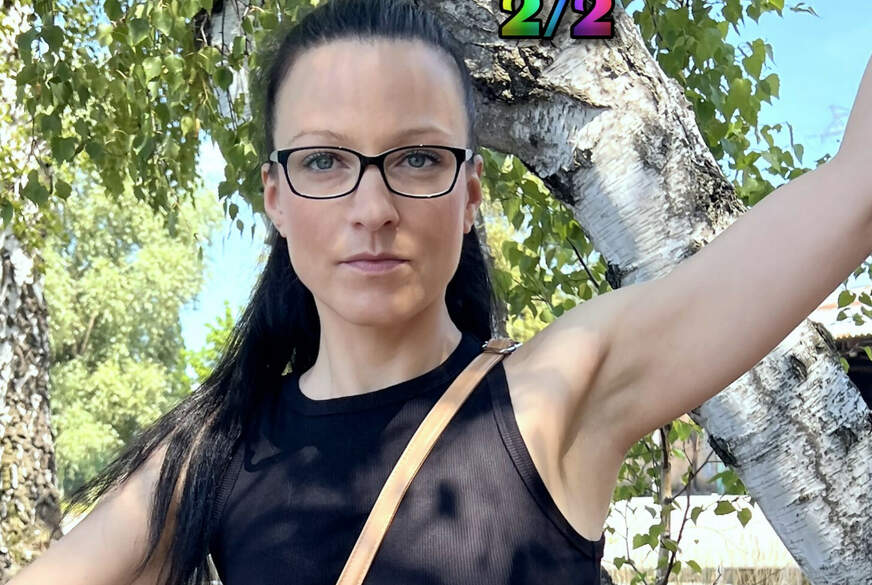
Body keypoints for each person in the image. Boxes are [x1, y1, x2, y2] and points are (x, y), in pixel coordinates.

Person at [9, 0, 871, 584]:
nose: (372, 208)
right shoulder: (213, 449)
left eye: (418, 157)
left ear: (469, 195)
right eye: (324, 160)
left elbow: (856, 191)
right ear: (275, 197)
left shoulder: (557, 395)